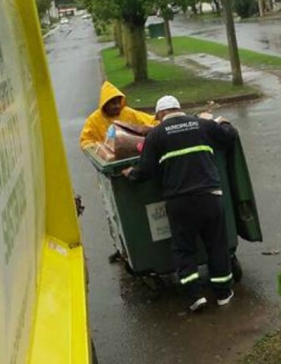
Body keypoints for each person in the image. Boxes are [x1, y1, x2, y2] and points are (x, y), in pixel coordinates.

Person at [122, 95, 237, 312]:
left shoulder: (155, 135)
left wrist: (130, 174)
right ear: (179, 109)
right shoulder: (203, 125)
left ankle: (195, 296)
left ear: (160, 115)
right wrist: (221, 122)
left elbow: (145, 171)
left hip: (180, 202)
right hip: (210, 197)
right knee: (217, 245)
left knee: (184, 249)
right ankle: (223, 294)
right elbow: (229, 137)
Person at [79, 81, 157, 149]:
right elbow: (86, 141)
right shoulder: (94, 120)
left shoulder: (128, 113)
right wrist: (98, 147)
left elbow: (150, 121)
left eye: (119, 102)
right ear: (105, 104)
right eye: (114, 103)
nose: (118, 106)